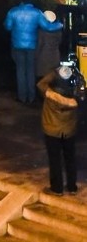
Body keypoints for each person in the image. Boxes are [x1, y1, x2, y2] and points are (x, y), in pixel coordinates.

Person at [4, 0, 63, 104]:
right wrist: (60, 24)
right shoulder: (37, 13)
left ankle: (22, 97)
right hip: (31, 46)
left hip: (17, 45)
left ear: (21, 1)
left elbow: (7, 26)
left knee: (20, 71)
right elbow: (48, 27)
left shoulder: (13, 12)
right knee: (30, 71)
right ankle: (31, 97)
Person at [37, 61, 84, 195]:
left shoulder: (50, 96)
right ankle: (72, 187)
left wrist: (55, 73)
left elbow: (41, 84)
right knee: (70, 158)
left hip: (52, 131)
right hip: (69, 131)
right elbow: (81, 89)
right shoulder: (74, 98)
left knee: (55, 160)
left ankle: (57, 188)